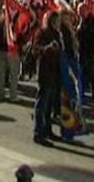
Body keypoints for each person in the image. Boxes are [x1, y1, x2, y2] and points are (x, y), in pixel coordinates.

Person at [32, 11, 62, 146]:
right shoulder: (42, 32)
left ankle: (47, 129)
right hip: (45, 72)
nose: (59, 22)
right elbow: (35, 49)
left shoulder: (57, 33)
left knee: (49, 104)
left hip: (55, 72)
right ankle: (37, 132)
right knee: (42, 103)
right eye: (56, 20)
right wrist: (48, 48)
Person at [0, 11, 21, 102]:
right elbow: (16, 36)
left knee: (1, 73)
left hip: (0, 50)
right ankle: (13, 95)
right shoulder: (12, 23)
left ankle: (0, 94)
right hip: (11, 50)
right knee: (13, 74)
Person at [77, 2, 94, 100]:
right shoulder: (80, 20)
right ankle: (83, 91)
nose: (80, 13)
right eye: (79, 11)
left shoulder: (93, 21)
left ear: (86, 10)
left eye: (81, 11)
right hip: (82, 51)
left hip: (91, 50)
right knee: (82, 72)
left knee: (93, 73)